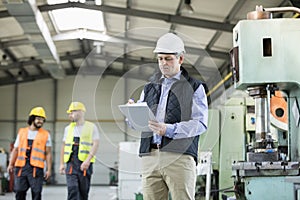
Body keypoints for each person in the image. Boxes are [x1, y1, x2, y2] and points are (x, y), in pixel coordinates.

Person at [128, 33, 208, 200]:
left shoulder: (195, 87)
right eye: (160, 59)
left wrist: (169, 130)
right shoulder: (149, 88)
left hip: (180, 156)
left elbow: (200, 123)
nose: (163, 63)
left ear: (180, 59)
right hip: (150, 156)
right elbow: (138, 124)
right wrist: (132, 115)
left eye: (168, 58)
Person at [7, 107, 52, 200]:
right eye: (38, 119)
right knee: (19, 191)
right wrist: (11, 164)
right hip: (21, 167)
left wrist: (49, 169)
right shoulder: (22, 132)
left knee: (36, 193)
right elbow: (15, 149)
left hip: (37, 169)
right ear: (32, 119)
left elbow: (48, 154)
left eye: (42, 119)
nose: (41, 121)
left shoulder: (46, 134)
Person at [59, 102, 100, 200]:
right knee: (72, 189)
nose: (70, 115)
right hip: (71, 163)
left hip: (84, 165)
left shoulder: (91, 127)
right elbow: (64, 146)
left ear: (81, 112)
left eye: (72, 112)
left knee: (83, 192)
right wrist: (61, 164)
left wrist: (87, 161)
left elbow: (96, 144)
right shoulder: (68, 129)